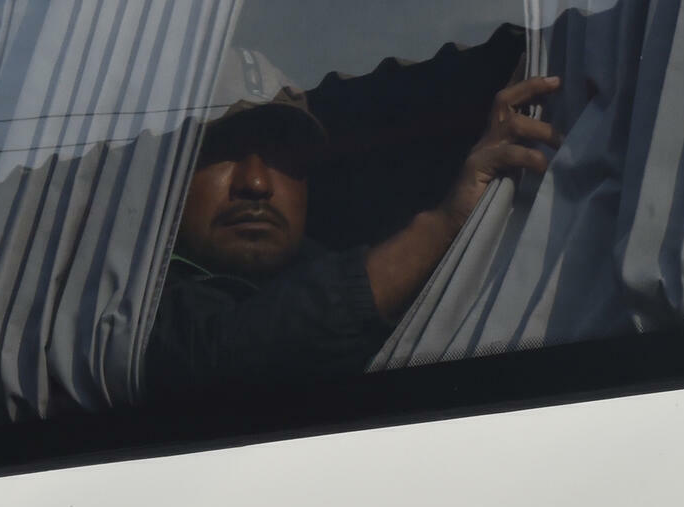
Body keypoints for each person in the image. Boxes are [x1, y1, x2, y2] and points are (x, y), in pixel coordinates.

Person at [139, 48, 559, 398]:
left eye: (283, 154)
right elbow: (227, 353)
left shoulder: (326, 267)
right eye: (224, 149)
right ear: (166, 176)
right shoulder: (123, 309)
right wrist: (444, 224)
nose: (256, 182)